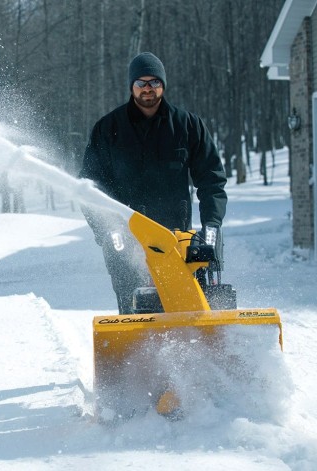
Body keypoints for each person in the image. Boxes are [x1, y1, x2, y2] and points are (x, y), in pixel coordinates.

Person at [79, 52, 227, 314]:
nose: (148, 89)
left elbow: (211, 179)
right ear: (131, 86)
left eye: (154, 82)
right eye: (141, 83)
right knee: (136, 309)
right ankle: (139, 354)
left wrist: (211, 226)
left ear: (163, 85)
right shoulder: (108, 128)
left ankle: (196, 351)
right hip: (127, 239)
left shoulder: (187, 126)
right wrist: (107, 231)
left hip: (177, 238)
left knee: (189, 305)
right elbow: (90, 188)